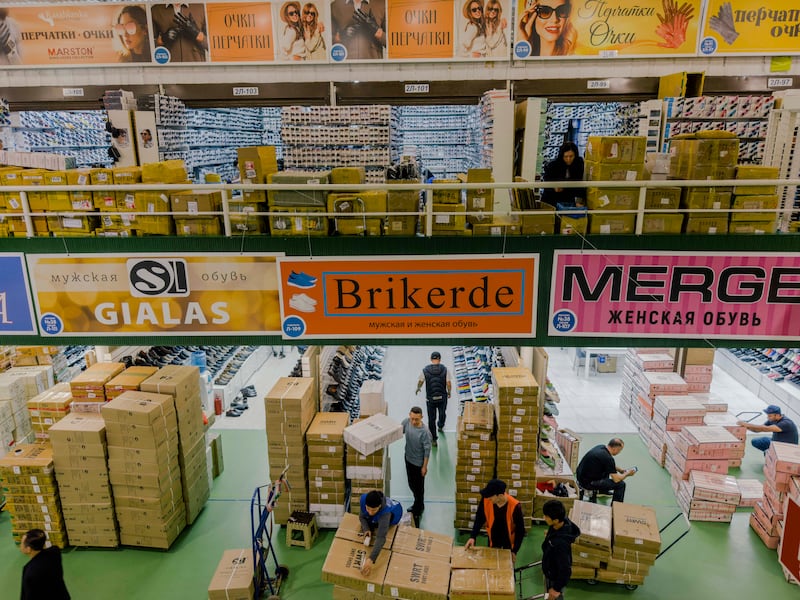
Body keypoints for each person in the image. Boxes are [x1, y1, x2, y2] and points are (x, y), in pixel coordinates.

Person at [464, 479, 526, 560]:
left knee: (506, 564)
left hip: (508, 542)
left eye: (491, 496)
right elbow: (479, 518)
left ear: (500, 496)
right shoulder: (486, 499)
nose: (488, 498)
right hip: (493, 539)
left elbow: (520, 531)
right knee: (491, 561)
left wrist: (514, 551)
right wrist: (473, 536)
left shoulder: (515, 506)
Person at [541, 499, 581, 600]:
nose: (544, 518)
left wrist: (556, 589)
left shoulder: (561, 544)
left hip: (555, 579)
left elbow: (566, 569)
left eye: (546, 516)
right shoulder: (560, 523)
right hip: (550, 569)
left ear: (556, 520)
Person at [575, 438, 635, 503]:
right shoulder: (608, 458)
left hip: (580, 475)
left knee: (606, 469)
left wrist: (620, 470)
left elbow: (609, 465)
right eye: (620, 450)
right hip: (587, 483)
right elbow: (616, 479)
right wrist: (627, 474)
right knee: (621, 485)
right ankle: (616, 506)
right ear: (615, 449)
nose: (619, 452)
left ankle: (603, 491)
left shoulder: (601, 447)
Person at [358, 490, 403, 575]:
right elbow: (362, 517)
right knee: (369, 521)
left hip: (391, 518)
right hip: (378, 514)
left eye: (373, 510)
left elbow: (381, 538)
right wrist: (366, 529)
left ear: (379, 506)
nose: (370, 512)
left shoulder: (385, 514)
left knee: (377, 526)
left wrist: (371, 559)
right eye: (368, 509)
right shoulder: (364, 500)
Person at [20, 529, 71, 600]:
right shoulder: (55, 552)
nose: (20, 545)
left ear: (29, 549)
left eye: (21, 543)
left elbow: (28, 596)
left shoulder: (30, 571)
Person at [401, 406, 431, 527]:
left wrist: (424, 467)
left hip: (418, 464)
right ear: (409, 415)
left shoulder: (425, 432)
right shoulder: (406, 422)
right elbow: (398, 431)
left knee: (419, 488)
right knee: (411, 484)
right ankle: (418, 503)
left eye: (416, 419)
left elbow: (427, 451)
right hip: (408, 458)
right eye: (412, 418)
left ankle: (418, 509)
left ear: (421, 417)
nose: (413, 422)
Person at [415, 351, 452, 447]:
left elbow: (421, 381)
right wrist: (449, 392)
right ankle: (440, 425)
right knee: (442, 413)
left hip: (430, 398)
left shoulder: (425, 370)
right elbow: (448, 383)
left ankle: (434, 439)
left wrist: (418, 388)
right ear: (440, 359)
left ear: (431, 359)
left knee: (431, 419)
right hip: (442, 397)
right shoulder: (445, 369)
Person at [541, 141, 585, 207]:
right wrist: (554, 188)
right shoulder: (553, 166)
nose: (568, 159)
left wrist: (578, 201)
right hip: (552, 200)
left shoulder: (579, 164)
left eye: (571, 156)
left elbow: (579, 184)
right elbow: (546, 183)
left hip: (568, 201)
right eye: (566, 156)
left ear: (575, 155)